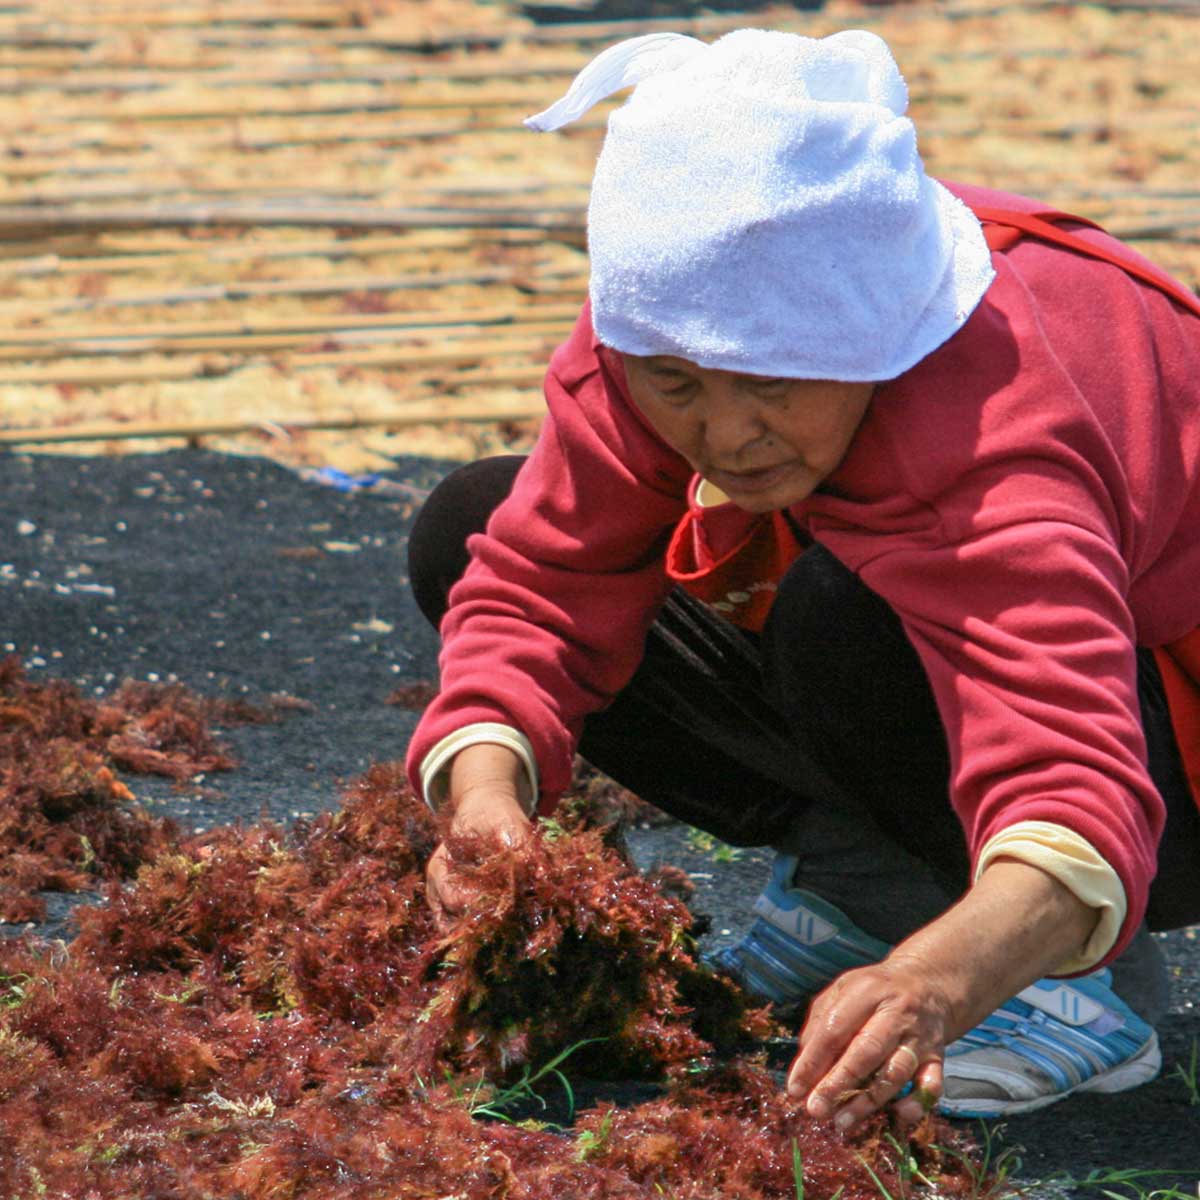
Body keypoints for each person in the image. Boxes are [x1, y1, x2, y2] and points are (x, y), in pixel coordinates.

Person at [403, 27, 1200, 1129]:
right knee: (472, 522)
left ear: (868, 335)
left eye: (773, 382)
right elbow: (541, 584)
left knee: (843, 613)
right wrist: (486, 795)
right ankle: (869, 887)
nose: (727, 434)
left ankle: (1077, 985)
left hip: (1168, 756)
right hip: (955, 657)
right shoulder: (656, 323)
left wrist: (936, 985)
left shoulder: (992, 423)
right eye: (678, 385)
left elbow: (1073, 771)